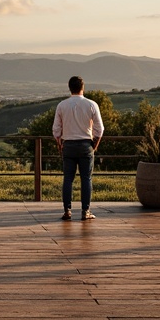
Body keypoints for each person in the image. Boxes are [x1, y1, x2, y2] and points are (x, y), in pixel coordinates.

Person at [52, 75, 104, 221]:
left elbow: (56, 129)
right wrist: (95, 145)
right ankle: (85, 211)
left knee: (68, 179)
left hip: (68, 145)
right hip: (85, 145)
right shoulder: (91, 104)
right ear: (83, 87)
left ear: (69, 88)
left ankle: (67, 210)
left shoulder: (62, 105)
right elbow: (100, 129)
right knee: (86, 178)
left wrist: (60, 144)